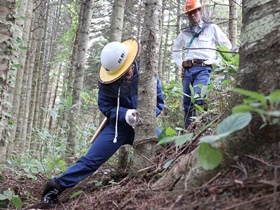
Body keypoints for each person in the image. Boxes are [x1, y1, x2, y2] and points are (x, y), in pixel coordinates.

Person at [41, 39, 164, 205]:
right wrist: (124, 114)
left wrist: (146, 119)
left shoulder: (147, 73)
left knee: (167, 146)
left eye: (127, 69)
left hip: (144, 128)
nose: (126, 74)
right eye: (121, 72)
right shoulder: (108, 84)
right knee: (91, 160)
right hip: (116, 129)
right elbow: (106, 107)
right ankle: (55, 187)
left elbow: (159, 103)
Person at [172, 0, 232, 129]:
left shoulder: (212, 28)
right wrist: (180, 64)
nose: (193, 15)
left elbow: (227, 45)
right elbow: (175, 49)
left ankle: (206, 127)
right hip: (188, 70)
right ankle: (189, 132)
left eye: (195, 12)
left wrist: (217, 62)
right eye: (190, 13)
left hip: (204, 68)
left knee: (199, 97)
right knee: (187, 102)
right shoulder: (184, 33)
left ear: (200, 11)